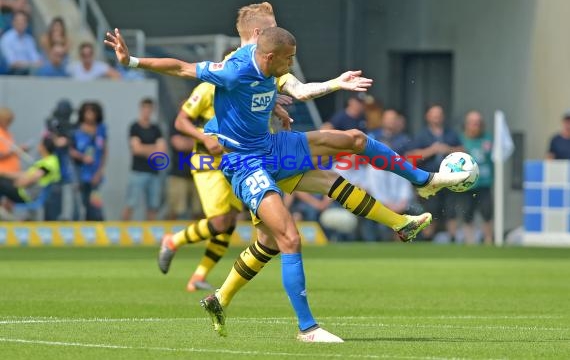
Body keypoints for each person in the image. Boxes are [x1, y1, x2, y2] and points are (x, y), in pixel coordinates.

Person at [105, 25, 468, 343]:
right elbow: (183, 68)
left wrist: (309, 93)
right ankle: (308, 328)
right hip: (245, 163)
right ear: (269, 53)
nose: (292, 63)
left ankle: (423, 183)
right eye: (289, 58)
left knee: (353, 139)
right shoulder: (234, 70)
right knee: (288, 238)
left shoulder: (271, 69)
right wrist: (132, 62)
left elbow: (295, 91)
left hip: (273, 148)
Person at [407, 104, 464, 241]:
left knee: (451, 210)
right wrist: (431, 151)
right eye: (434, 115)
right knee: (431, 210)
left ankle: (453, 239)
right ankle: (427, 240)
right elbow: (410, 156)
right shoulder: (421, 135)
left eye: (439, 115)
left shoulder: (451, 133)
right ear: (427, 117)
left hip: (449, 179)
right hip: (430, 179)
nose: (436, 118)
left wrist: (448, 149)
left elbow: (463, 151)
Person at [122, 98, 166, 221]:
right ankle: (122, 231)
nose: (147, 111)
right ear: (141, 109)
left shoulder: (156, 129)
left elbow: (162, 150)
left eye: (149, 109)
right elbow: (136, 149)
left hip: (154, 172)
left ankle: (151, 233)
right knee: (131, 203)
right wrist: (153, 148)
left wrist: (144, 148)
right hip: (138, 171)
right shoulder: (134, 127)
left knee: (153, 206)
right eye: (145, 108)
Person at [459, 110, 494, 244]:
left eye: (478, 123)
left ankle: (489, 240)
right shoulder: (460, 140)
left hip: (484, 183)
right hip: (466, 184)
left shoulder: (488, 139)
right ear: (466, 125)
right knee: (467, 215)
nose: (476, 126)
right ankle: (470, 242)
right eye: (473, 123)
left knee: (487, 213)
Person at [69, 102, 106, 221]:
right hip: (79, 171)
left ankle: (96, 227)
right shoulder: (76, 130)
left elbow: (104, 151)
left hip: (95, 172)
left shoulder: (101, 129)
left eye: (92, 112)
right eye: (87, 112)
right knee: (79, 202)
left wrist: (100, 171)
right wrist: (82, 157)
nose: (90, 115)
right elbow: (70, 150)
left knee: (95, 203)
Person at [0, 136, 59, 204]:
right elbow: (26, 174)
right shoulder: (49, 159)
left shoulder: (49, 162)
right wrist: (4, 174)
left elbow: (35, 177)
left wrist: (16, 184)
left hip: (26, 194)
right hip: (24, 191)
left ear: (43, 147)